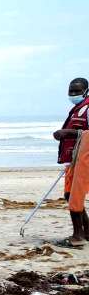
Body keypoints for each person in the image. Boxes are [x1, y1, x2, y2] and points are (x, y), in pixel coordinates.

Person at [54, 78, 89, 247]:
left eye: (77, 91)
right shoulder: (77, 109)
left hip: (85, 158)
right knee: (69, 194)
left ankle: (78, 237)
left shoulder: (88, 109)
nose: (73, 94)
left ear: (86, 91)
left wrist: (67, 132)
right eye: (71, 91)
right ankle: (87, 231)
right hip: (74, 158)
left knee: (76, 195)